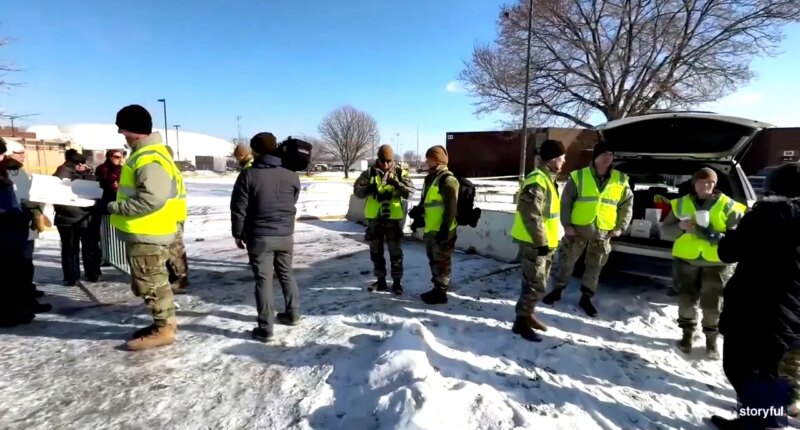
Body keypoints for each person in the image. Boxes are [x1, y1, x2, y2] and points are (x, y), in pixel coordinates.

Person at [710, 162, 800, 430]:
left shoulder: (764, 216)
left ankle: (760, 422)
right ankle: (766, 417)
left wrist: (729, 235)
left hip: (755, 307)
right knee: (773, 368)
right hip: (793, 310)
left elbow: (728, 252)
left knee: (741, 367)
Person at [108, 104, 181, 351]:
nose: (121, 133)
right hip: (149, 231)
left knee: (151, 284)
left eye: (123, 129)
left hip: (149, 233)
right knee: (152, 282)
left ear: (135, 130)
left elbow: (152, 198)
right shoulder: (149, 154)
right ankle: (164, 324)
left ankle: (164, 330)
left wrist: (116, 208)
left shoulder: (149, 157)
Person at [660, 167, 746, 359]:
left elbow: (739, 237)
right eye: (701, 182)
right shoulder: (680, 204)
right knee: (686, 299)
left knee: (713, 303)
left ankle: (711, 341)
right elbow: (666, 230)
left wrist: (715, 234)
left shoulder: (729, 205)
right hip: (686, 259)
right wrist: (680, 227)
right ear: (694, 184)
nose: (706, 185)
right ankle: (687, 335)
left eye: (710, 182)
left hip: (717, 262)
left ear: (715, 185)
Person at [542, 142, 633, 317]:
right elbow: (566, 202)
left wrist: (620, 227)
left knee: (595, 267)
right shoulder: (579, 176)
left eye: (611, 154)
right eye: (604, 154)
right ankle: (557, 290)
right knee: (566, 262)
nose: (608, 157)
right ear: (595, 157)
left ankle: (586, 297)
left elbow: (626, 206)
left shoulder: (621, 179)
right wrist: (567, 225)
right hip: (577, 231)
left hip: (603, 232)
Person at [230, 132, 301, 342]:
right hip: (286, 235)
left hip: (260, 236)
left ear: (255, 151)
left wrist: (238, 233)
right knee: (287, 273)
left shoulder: (249, 175)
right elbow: (293, 200)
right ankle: (292, 313)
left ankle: (266, 328)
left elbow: (238, 208)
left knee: (264, 280)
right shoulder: (291, 174)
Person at [510, 140, 566, 342]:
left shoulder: (548, 178)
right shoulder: (537, 180)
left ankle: (524, 318)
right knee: (537, 285)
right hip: (535, 243)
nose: (564, 161)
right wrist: (541, 242)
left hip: (545, 242)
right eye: (561, 158)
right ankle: (523, 320)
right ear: (552, 159)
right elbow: (531, 215)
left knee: (533, 283)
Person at [353, 144, 415, 295]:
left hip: (393, 220)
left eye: (388, 161)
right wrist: (370, 189)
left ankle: (397, 283)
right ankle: (380, 281)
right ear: (378, 159)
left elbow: (411, 192)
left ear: (392, 160)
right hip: (375, 219)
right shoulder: (369, 172)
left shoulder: (400, 172)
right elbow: (357, 191)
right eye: (382, 160)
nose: (385, 164)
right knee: (376, 252)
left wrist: (397, 185)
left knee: (396, 253)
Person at [5, 139, 52, 312]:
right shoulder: (7, 174)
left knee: (26, 263)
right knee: (18, 266)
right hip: (13, 227)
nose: (23, 156)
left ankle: (27, 295)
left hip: (25, 224)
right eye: (19, 153)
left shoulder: (20, 173)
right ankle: (21, 303)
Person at [0, 137, 36, 327]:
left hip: (13, 232)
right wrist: (16, 215)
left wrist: (24, 211)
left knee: (16, 271)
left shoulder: (6, 173)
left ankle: (18, 307)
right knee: (7, 276)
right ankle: (8, 313)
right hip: (5, 233)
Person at [54, 149, 102, 285]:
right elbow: (59, 180)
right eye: (76, 162)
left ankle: (92, 273)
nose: (80, 164)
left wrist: (88, 172)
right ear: (69, 162)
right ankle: (71, 277)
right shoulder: (62, 173)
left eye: (82, 162)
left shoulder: (89, 175)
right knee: (70, 249)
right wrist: (69, 167)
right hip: (67, 219)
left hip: (87, 218)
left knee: (91, 248)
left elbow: (98, 191)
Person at [418, 145, 459, 305]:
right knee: (433, 260)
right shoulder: (431, 179)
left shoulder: (448, 180)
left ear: (438, 161)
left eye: (430, 159)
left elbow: (451, 207)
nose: (427, 162)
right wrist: (419, 214)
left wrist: (445, 228)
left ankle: (441, 292)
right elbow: (428, 202)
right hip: (431, 228)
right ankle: (437, 288)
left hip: (443, 230)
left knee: (442, 261)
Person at [164, 145, 189, 294]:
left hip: (172, 215)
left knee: (175, 249)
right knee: (175, 249)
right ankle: (178, 276)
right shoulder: (170, 169)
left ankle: (180, 278)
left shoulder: (168, 170)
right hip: (175, 214)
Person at [93, 149, 123, 267]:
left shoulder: (123, 169)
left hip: (119, 202)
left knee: (118, 231)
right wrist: (111, 185)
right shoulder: (102, 168)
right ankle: (107, 256)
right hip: (106, 202)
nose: (119, 159)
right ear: (109, 157)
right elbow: (100, 184)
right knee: (106, 232)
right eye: (116, 156)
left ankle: (119, 256)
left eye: (121, 156)